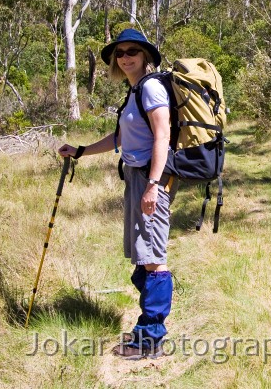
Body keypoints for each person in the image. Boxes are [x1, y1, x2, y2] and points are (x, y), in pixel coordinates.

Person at [58, 28, 174, 360]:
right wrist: (80, 151)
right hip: (137, 176)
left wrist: (153, 185)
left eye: (131, 52)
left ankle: (150, 338)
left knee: (153, 258)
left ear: (145, 56)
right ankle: (151, 323)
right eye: (119, 53)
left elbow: (162, 136)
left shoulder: (151, 88)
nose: (124, 58)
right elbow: (119, 138)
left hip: (151, 177)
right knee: (144, 255)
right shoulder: (134, 90)